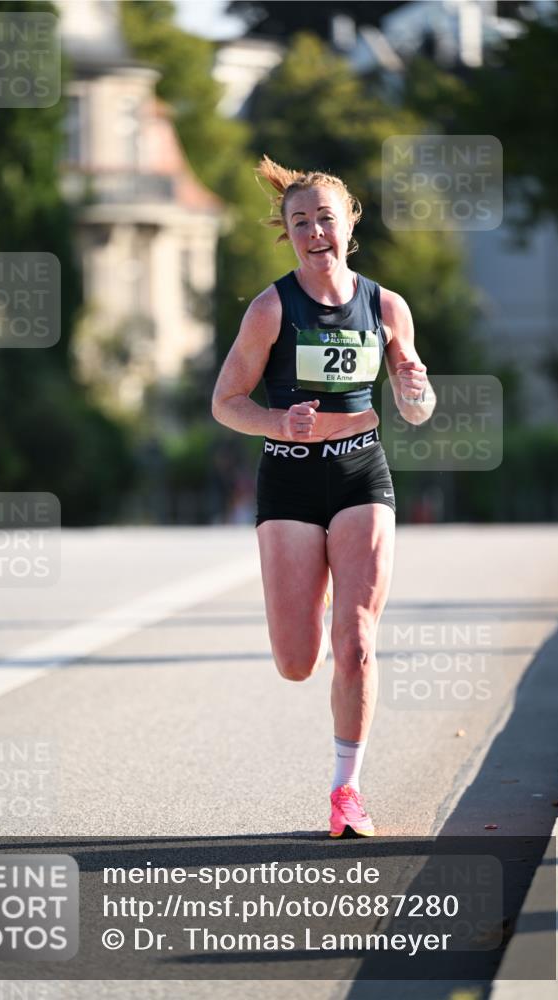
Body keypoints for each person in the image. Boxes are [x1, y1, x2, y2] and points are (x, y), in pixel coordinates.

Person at [212, 155, 435, 837]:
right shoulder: (270, 308)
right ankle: (318, 590)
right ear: (287, 233)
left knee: (356, 639)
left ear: (349, 225)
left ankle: (346, 791)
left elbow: (417, 407)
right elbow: (225, 402)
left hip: (360, 471)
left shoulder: (386, 306)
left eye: (325, 219)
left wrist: (414, 390)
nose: (315, 232)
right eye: (300, 222)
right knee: (296, 660)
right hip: (289, 476)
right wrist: (278, 422)